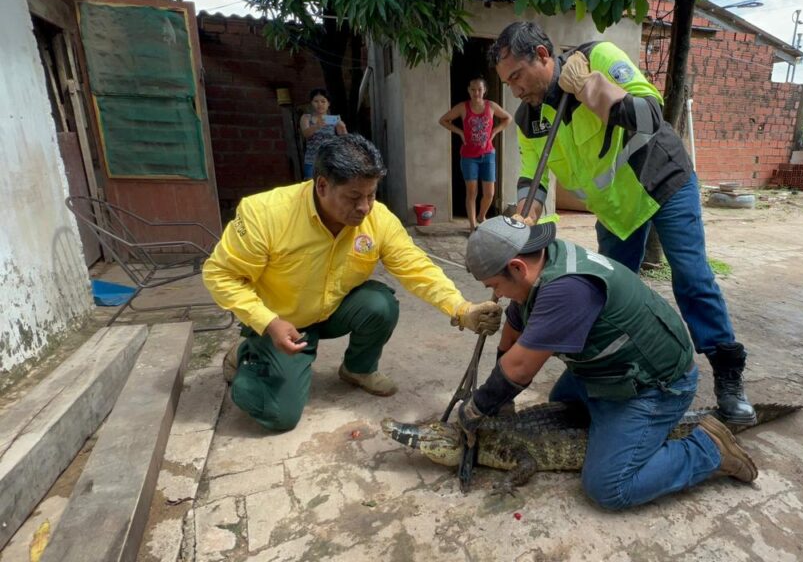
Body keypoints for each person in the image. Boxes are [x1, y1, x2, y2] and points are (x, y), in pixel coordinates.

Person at [487, 21, 756, 424]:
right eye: (507, 82)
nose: (514, 89)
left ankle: (728, 377)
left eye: (517, 77)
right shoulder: (531, 118)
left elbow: (650, 115)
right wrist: (524, 215)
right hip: (615, 207)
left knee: (692, 278)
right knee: (605, 290)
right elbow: (534, 177)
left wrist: (590, 89)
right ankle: (609, 371)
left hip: (662, 181)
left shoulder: (597, 58)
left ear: (542, 56)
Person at [203, 134, 502, 432]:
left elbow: (417, 268)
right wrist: (267, 322)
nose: (365, 207)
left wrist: (462, 309)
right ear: (322, 185)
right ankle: (246, 355)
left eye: (371, 195)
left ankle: (357, 369)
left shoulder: (378, 219)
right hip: (282, 323)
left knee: (380, 304)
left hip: (331, 309)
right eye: (354, 197)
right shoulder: (265, 214)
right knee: (280, 415)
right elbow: (220, 275)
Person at [457, 217, 757, 510]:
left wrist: (476, 408)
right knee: (560, 404)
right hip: (609, 370)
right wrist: (501, 401)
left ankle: (709, 449)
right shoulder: (546, 259)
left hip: (654, 385)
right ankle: (616, 437)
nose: (496, 295)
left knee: (609, 487)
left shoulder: (566, 289)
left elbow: (520, 368)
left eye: (495, 285)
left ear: (517, 267)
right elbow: (514, 327)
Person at [438, 76, 513, 231]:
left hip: (488, 155)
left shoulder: (491, 106)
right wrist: (460, 133)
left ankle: (481, 215)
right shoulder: (462, 107)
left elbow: (508, 118)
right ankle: (473, 225)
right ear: (468, 90)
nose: (476, 92)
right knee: (472, 192)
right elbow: (443, 120)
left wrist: (494, 132)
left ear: (484, 90)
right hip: (469, 156)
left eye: (479, 89)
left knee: (490, 194)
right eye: (473, 89)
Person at [299, 88, 347, 179]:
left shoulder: (334, 119)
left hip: (331, 160)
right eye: (316, 101)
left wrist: (343, 127)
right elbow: (306, 134)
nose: (319, 104)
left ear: (328, 104)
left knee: (330, 186)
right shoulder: (306, 117)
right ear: (311, 103)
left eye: (323, 101)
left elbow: (345, 140)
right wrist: (317, 125)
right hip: (312, 160)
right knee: (311, 186)